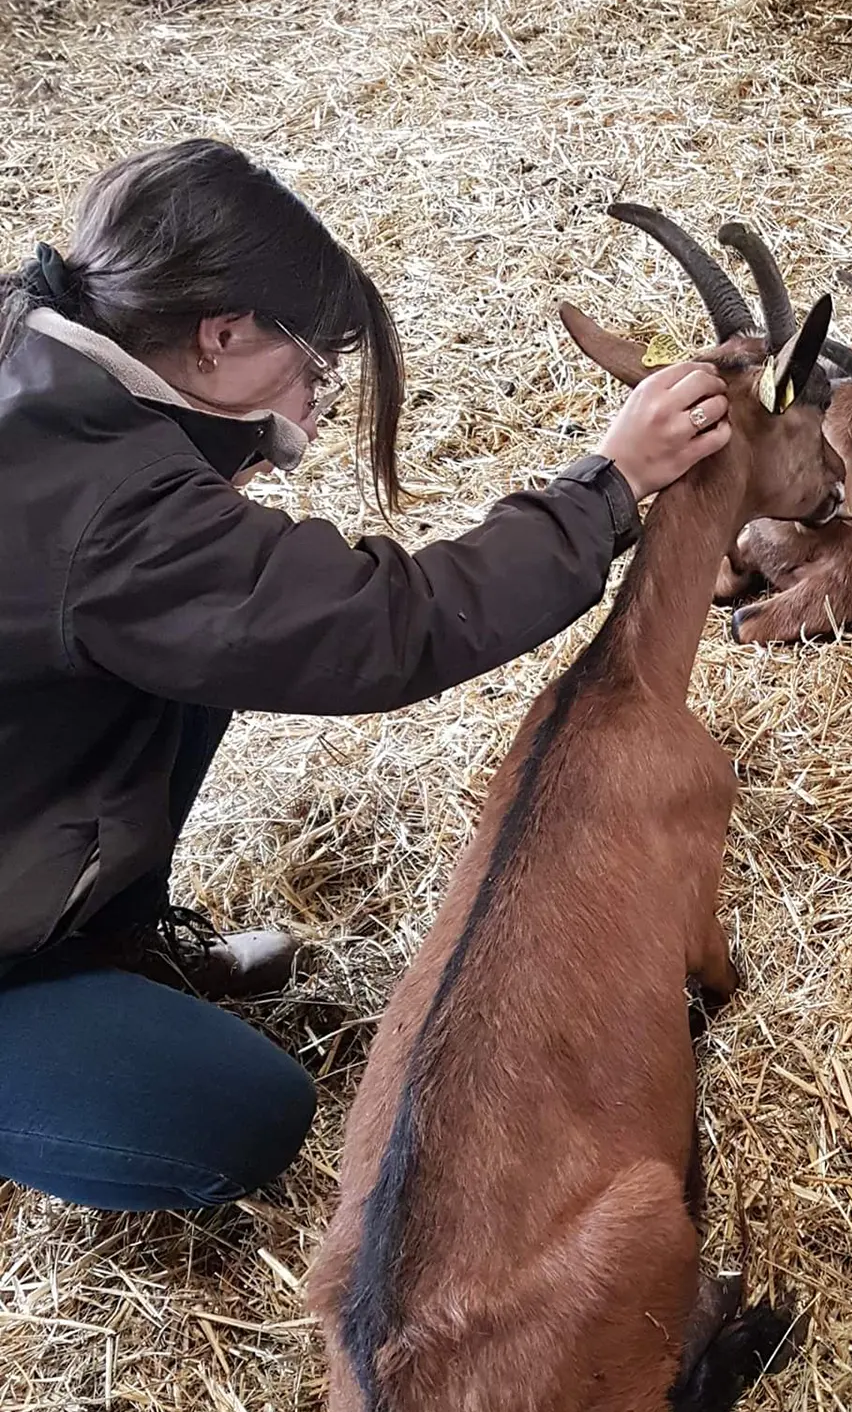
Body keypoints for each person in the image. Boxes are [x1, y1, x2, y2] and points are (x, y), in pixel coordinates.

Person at [0, 139, 733, 1214]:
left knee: (207, 649)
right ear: (223, 332)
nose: (318, 392)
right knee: (235, 1119)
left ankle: (107, 936)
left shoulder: (39, 351)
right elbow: (389, 625)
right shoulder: (112, 518)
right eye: (314, 362)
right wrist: (609, 484)